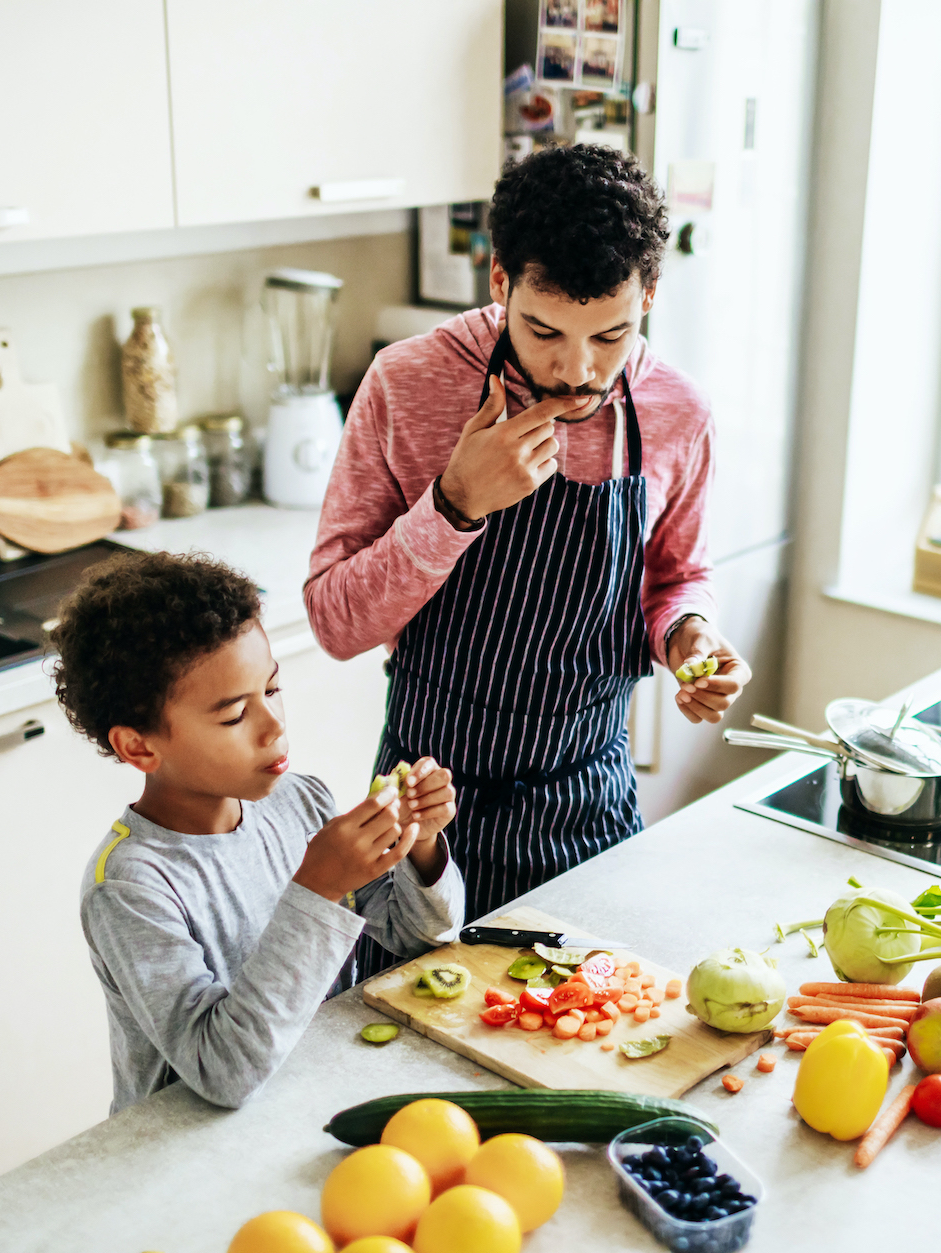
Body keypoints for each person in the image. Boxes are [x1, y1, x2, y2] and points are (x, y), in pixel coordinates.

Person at [305, 145, 750, 951]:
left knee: (580, 1045)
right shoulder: (406, 384)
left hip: (589, 810)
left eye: (611, 336)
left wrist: (691, 635)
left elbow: (678, 576)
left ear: (650, 294)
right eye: (544, 331)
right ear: (500, 282)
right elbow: (334, 624)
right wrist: (455, 503)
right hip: (424, 818)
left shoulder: (678, 412)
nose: (576, 371)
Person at [52, 552, 463, 1113]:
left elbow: (419, 940)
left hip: (309, 1106)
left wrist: (421, 846)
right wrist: (316, 888)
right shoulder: (130, 888)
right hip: (183, 1155)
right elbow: (222, 1071)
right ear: (139, 747)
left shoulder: (301, 802)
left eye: (271, 691)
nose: (275, 727)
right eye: (233, 716)